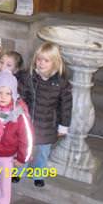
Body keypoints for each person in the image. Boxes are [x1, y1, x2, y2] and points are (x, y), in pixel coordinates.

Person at [17, 42, 72, 187]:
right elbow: (21, 98)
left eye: (46, 60)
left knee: (43, 152)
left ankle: (38, 174)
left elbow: (65, 106)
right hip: (28, 122)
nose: (41, 63)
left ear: (55, 62)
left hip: (48, 124)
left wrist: (63, 126)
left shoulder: (61, 83)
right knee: (24, 148)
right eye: (39, 59)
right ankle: (19, 171)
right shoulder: (28, 77)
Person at [0, 71, 33, 204]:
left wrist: (22, 158)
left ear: (14, 95)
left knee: (4, 187)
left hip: (6, 158)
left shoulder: (19, 115)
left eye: (8, 93)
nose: (3, 97)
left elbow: (26, 139)